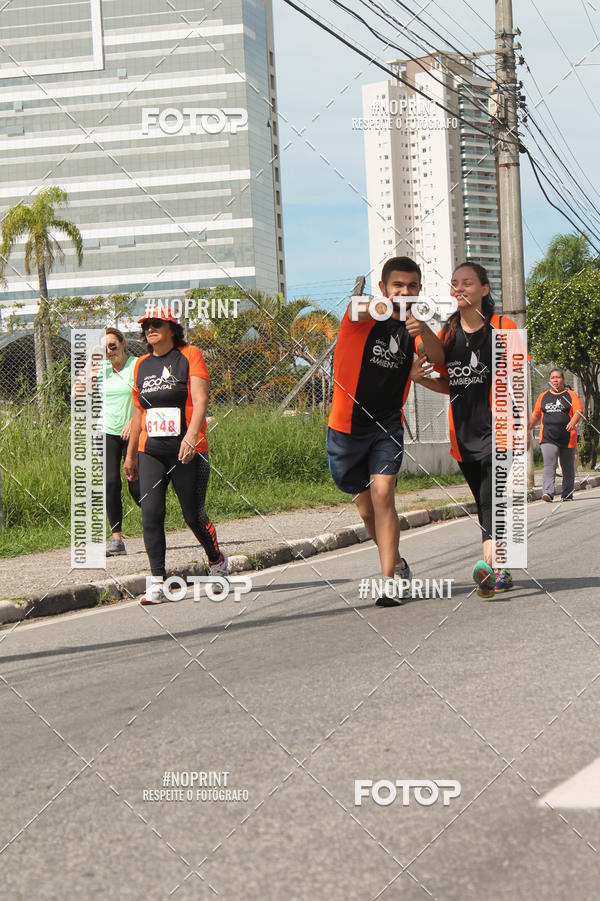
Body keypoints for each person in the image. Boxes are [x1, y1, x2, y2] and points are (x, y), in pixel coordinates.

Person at [327, 256, 445, 607]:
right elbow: (359, 308)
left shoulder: (413, 328)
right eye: (398, 285)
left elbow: (438, 357)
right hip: (346, 428)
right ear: (383, 287)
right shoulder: (358, 317)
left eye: (411, 286)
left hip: (387, 425)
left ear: (419, 289)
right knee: (366, 512)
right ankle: (398, 562)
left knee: (383, 495)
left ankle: (389, 581)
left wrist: (422, 328)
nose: (405, 292)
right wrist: (390, 305)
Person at [411, 261, 521, 600]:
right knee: (485, 502)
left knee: (492, 498)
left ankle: (490, 563)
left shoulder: (504, 327)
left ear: (485, 289)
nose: (459, 288)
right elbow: (452, 383)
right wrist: (421, 379)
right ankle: (500, 570)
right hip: (463, 435)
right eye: (455, 283)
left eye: (468, 283)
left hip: (499, 430)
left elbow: (515, 379)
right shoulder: (448, 334)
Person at [123, 304, 227, 605]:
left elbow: (201, 398)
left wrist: (192, 437)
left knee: (193, 516)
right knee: (150, 514)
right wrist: (130, 456)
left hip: (187, 451)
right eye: (146, 325)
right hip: (151, 451)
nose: (149, 329)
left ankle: (217, 561)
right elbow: (138, 413)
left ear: (172, 328)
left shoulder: (189, 354)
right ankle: (157, 581)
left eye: (156, 323)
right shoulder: (141, 364)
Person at [73, 327, 141, 555]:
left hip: (134, 431)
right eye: (105, 348)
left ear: (123, 343)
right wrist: (92, 361)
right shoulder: (102, 368)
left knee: (136, 485)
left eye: (113, 345)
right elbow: (77, 392)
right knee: (110, 483)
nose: (110, 351)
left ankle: (154, 518)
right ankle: (116, 540)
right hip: (105, 431)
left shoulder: (136, 365)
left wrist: (133, 421)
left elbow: (147, 397)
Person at [528, 369, 582, 502]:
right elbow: (536, 414)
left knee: (567, 467)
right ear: (549, 380)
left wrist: (573, 422)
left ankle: (567, 493)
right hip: (548, 437)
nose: (555, 380)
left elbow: (579, 411)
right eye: (552, 378)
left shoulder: (571, 395)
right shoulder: (543, 396)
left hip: (568, 437)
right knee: (549, 464)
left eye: (558, 377)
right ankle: (548, 492)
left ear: (563, 379)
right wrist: (526, 428)